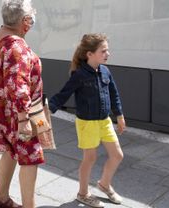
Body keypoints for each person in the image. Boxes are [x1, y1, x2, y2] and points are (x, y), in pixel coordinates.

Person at [48, 34, 125, 208]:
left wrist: (119, 115)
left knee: (117, 155)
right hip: (87, 123)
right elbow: (63, 94)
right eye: (103, 51)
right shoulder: (79, 74)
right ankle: (83, 194)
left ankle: (104, 184)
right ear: (89, 54)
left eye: (107, 50)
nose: (108, 54)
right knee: (90, 158)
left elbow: (114, 94)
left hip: (104, 121)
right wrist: (48, 110)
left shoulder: (105, 71)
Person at [0, 0, 44, 208]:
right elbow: (17, 87)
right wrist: (23, 119)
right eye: (30, 15)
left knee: (10, 151)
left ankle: (0, 198)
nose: (32, 19)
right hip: (17, 113)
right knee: (30, 157)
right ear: (23, 20)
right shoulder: (16, 46)